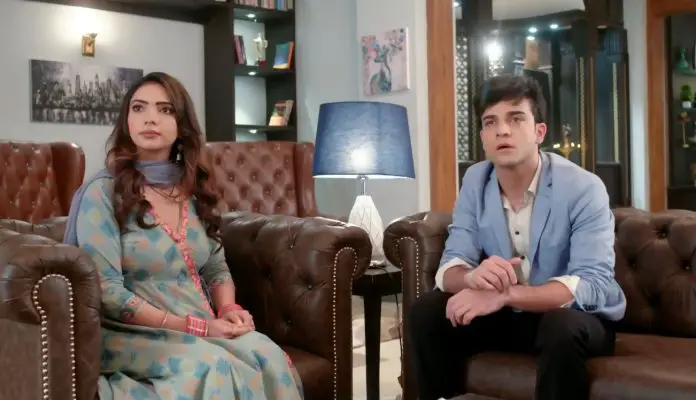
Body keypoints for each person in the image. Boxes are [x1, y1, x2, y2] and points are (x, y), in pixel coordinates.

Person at [63, 71, 304, 399]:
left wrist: (228, 309)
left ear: (182, 125)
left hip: (201, 320)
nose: (150, 118)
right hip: (127, 333)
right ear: (126, 121)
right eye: (139, 108)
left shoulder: (193, 190)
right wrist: (196, 327)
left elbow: (216, 268)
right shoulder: (103, 192)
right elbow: (108, 293)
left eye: (165, 110)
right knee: (215, 366)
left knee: (269, 356)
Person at [407, 74, 626, 400]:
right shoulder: (475, 181)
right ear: (483, 137)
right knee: (427, 312)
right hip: (509, 318)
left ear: (539, 132)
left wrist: (507, 295)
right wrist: (471, 278)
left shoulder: (583, 187)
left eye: (516, 118)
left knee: (561, 326)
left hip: (576, 317)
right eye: (491, 122)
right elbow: (451, 265)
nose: (502, 131)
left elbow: (591, 284)